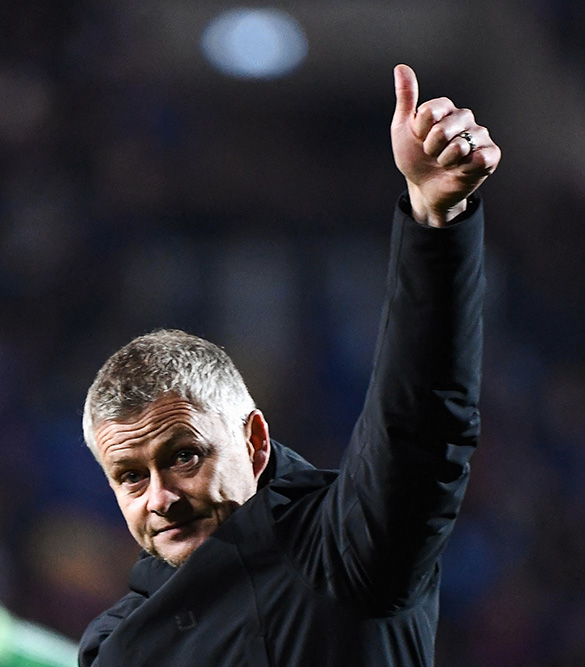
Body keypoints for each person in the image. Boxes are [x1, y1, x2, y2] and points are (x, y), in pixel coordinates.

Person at [77, 64, 500, 666]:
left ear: (253, 441)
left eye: (184, 457)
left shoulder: (348, 554)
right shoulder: (118, 647)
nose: (161, 498)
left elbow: (421, 425)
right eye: (130, 478)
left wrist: (437, 222)